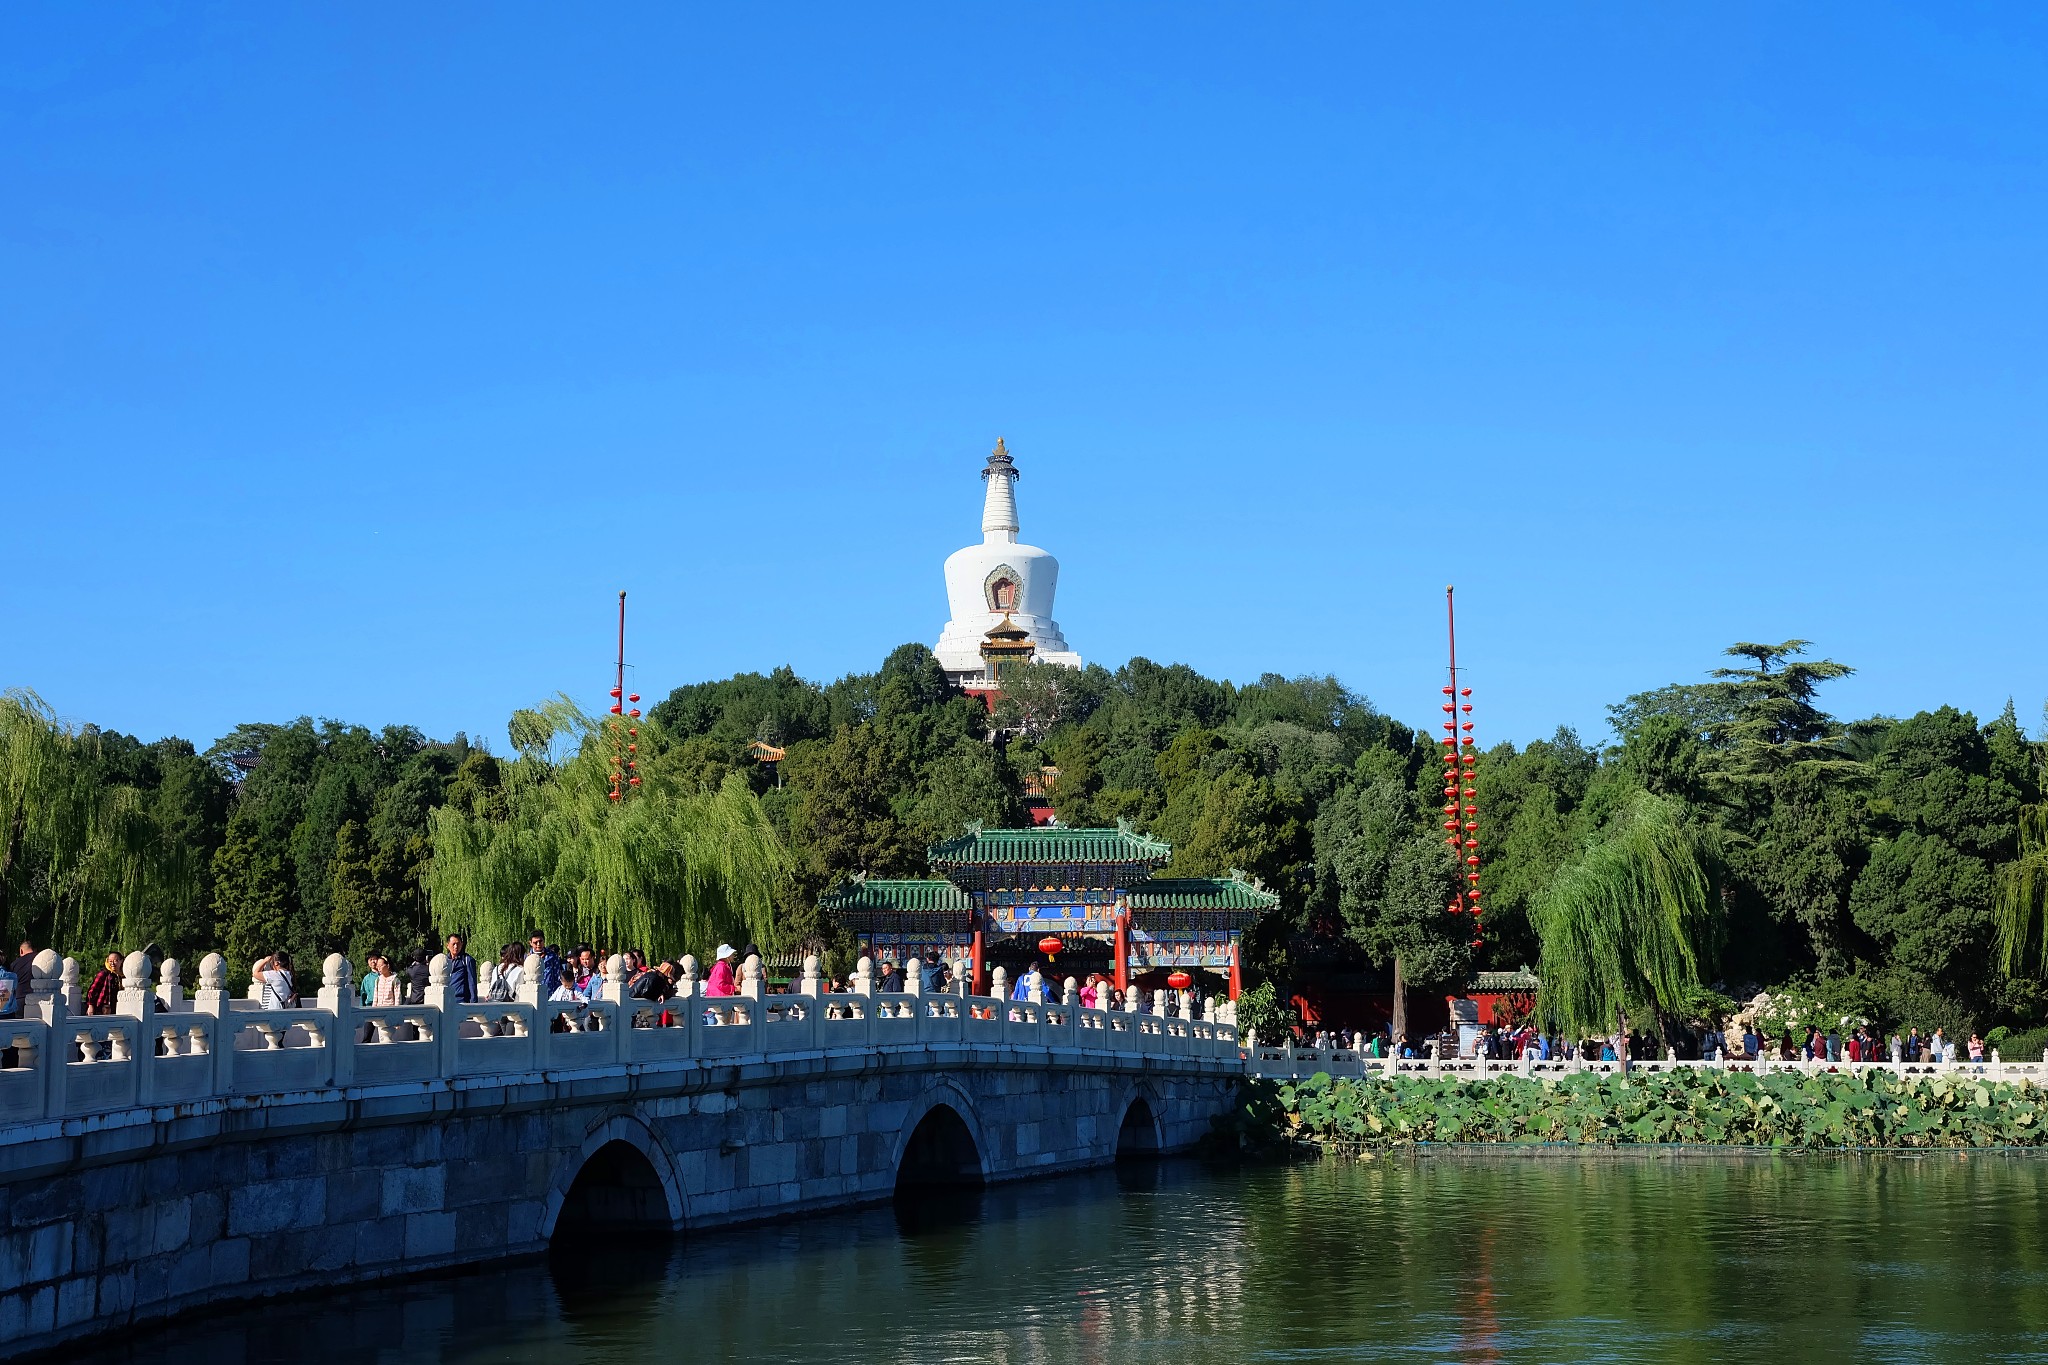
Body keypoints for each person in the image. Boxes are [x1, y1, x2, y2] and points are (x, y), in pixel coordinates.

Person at [443, 934, 478, 1004]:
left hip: (461, 1000)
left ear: (461, 945)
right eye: (453, 944)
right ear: (447, 945)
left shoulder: (467, 960)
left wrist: (473, 1003)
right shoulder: (444, 960)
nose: (456, 946)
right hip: (447, 1000)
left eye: (458, 944)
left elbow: (472, 982)